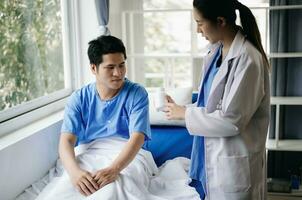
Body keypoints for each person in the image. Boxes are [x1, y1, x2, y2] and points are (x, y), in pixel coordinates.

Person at [164, 0, 270, 199]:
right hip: (211, 156)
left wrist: (185, 114)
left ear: (220, 21)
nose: (197, 30)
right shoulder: (215, 52)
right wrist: (181, 109)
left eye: (200, 23)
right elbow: (211, 104)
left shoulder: (247, 58)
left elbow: (231, 120)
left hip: (233, 162)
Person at [58, 35, 151, 196]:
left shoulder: (137, 93)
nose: (118, 73)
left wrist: (114, 170)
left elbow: (137, 137)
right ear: (94, 68)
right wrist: (75, 173)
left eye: (122, 65)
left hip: (127, 157)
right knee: (67, 188)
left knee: (113, 190)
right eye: (110, 67)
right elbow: (66, 141)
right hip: (90, 152)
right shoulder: (78, 98)